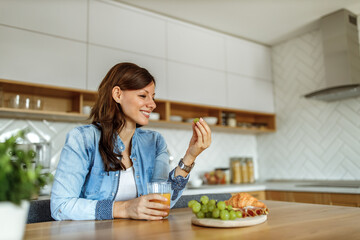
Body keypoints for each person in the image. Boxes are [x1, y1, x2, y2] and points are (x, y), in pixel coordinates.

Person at [50, 62, 211, 221]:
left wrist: (190, 156)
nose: (153, 104)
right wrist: (125, 208)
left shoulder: (154, 142)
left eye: (153, 97)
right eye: (143, 95)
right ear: (117, 94)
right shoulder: (83, 139)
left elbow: (161, 203)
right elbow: (60, 206)